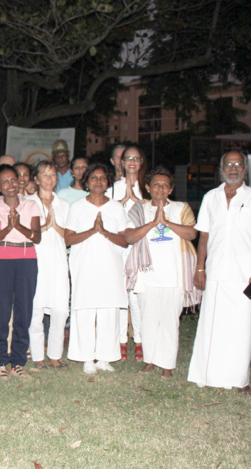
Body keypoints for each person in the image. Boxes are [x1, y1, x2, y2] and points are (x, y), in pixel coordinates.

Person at [188, 151, 251, 395]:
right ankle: (205, 375)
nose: (233, 168)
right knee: (211, 326)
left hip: (245, 275)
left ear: (245, 170)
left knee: (243, 326)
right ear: (221, 169)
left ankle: (240, 379)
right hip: (215, 272)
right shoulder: (210, 197)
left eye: (238, 164)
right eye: (228, 164)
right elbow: (203, 236)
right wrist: (200, 268)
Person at [124, 167, 201, 378]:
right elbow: (129, 236)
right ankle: (149, 361)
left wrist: (166, 222)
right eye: (156, 184)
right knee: (148, 321)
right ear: (148, 187)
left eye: (165, 185)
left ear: (171, 189)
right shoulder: (140, 209)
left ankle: (167, 365)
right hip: (147, 277)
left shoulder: (181, 208)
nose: (160, 188)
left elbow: (192, 233)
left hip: (175, 276)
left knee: (169, 322)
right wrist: (153, 223)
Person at [64, 162, 128, 374]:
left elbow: (125, 240)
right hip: (85, 267)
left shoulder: (116, 207)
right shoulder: (78, 207)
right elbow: (68, 239)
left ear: (108, 181)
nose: (98, 182)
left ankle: (105, 358)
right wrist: (92, 231)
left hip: (110, 267)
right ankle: (87, 358)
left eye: (102, 178)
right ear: (87, 182)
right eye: (94, 178)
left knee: (108, 311)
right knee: (85, 310)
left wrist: (105, 232)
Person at [0, 164, 41, 379]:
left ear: (20, 182)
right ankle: (0, 360)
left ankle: (18, 361)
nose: (11, 185)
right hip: (1, 260)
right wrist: (8, 228)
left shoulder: (31, 205)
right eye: (5, 181)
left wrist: (18, 225)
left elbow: (36, 237)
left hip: (27, 261)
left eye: (14, 180)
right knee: (0, 312)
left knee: (23, 311)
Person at [26, 161, 71, 369]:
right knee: (35, 310)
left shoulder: (64, 204)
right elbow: (25, 234)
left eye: (53, 175)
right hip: (36, 261)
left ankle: (54, 355)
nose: (50, 178)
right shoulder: (27, 203)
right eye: (45, 175)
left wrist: (56, 226)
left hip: (59, 262)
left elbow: (70, 237)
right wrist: (44, 226)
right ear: (36, 178)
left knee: (60, 309)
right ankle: (37, 357)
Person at [107, 146, 148, 362]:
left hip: (141, 248)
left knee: (138, 296)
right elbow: (105, 216)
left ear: (141, 162)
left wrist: (137, 199)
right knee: (121, 296)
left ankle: (140, 340)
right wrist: (121, 202)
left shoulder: (148, 187)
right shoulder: (112, 189)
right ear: (121, 162)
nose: (132, 162)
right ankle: (121, 341)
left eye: (136, 158)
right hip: (119, 247)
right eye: (128, 158)